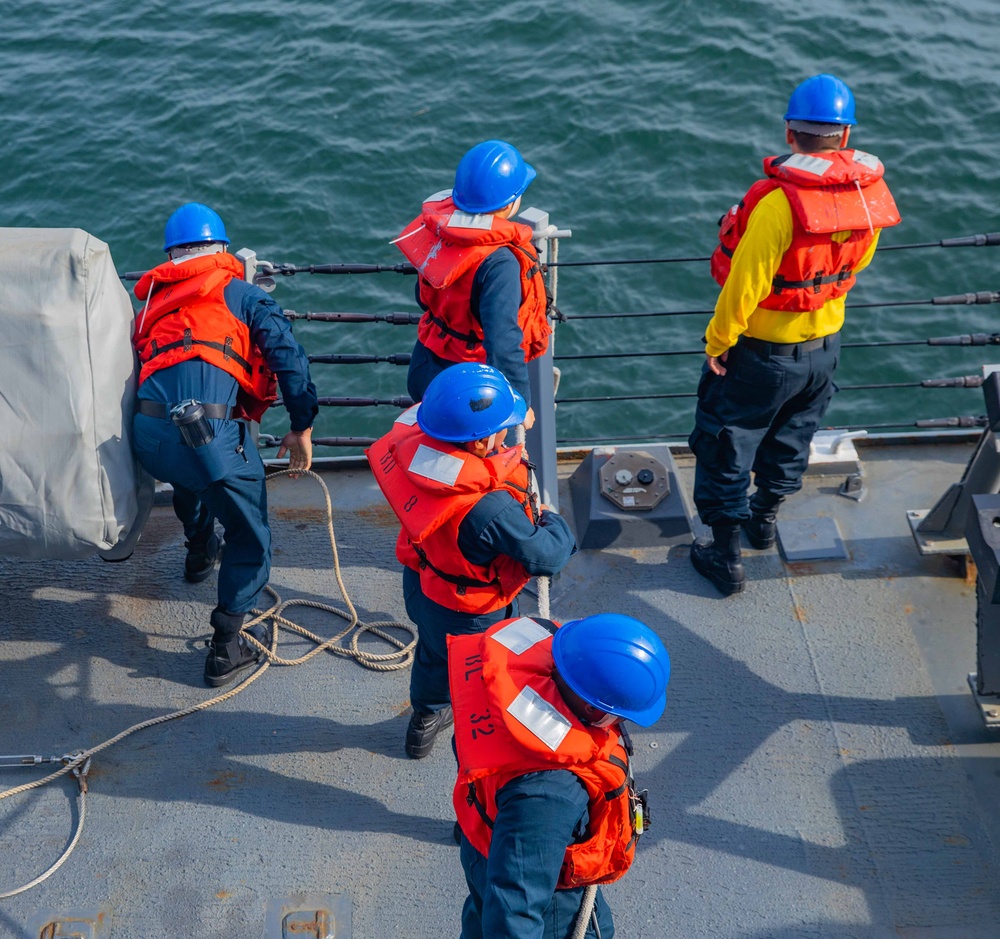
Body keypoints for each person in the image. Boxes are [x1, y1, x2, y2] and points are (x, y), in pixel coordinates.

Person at [689, 74, 901, 596]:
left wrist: (718, 343)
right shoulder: (864, 197)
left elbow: (745, 285)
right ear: (845, 136)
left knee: (726, 445)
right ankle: (764, 523)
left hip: (762, 354)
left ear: (790, 133)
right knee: (791, 440)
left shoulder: (778, 203)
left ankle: (726, 557)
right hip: (824, 350)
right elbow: (858, 263)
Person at [131, 202, 318, 686]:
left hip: (147, 437)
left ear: (172, 255)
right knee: (250, 535)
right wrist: (302, 425)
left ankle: (198, 554)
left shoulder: (151, 304)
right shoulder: (243, 295)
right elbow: (289, 361)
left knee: (189, 481)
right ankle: (225, 648)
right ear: (223, 249)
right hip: (210, 436)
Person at [366, 362, 575, 758]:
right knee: (480, 682)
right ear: (480, 443)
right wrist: (552, 520)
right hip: (471, 613)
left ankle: (423, 724)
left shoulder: (420, 456)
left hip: (422, 586)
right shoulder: (490, 508)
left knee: (431, 654)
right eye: (500, 426)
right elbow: (546, 556)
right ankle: (479, 755)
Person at [449, 613, 670, 939]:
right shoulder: (549, 792)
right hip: (551, 906)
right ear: (594, 710)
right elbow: (515, 908)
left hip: (487, 843)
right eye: (618, 715)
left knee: (481, 918)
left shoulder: (503, 686)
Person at [393, 139, 552, 430]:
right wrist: (520, 403)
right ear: (510, 202)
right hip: (469, 389)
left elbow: (423, 296)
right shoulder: (500, 263)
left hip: (425, 366)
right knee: (476, 461)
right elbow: (502, 342)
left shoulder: (442, 233)